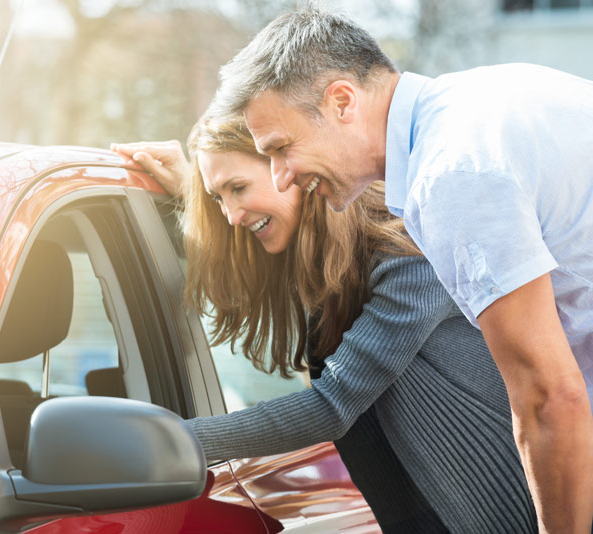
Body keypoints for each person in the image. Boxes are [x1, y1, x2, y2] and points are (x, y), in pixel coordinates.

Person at [209, 9, 593, 532]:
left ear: (341, 101)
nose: (282, 176)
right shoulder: (477, 105)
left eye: (281, 148)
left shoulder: (452, 174)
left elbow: (549, 395)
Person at [112, 113, 537, 533]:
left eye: (237, 188)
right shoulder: (323, 263)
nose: (230, 215)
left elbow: (332, 406)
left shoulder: (408, 257)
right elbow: (235, 257)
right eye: (217, 199)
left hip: (510, 515)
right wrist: (192, 194)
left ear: (289, 170)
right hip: (423, 513)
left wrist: (155, 442)